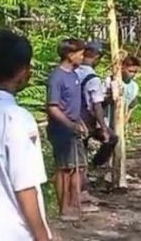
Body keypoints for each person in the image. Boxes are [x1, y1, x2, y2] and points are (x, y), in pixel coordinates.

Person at [0, 30, 52, 241]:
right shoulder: (17, 119)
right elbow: (25, 188)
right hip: (12, 232)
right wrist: (43, 237)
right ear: (22, 73)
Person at [47, 38, 99, 220]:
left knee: (78, 167)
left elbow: (75, 105)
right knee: (64, 169)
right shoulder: (57, 77)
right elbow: (53, 107)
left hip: (75, 129)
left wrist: (80, 123)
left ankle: (75, 204)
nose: (83, 57)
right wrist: (69, 124)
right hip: (61, 130)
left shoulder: (74, 75)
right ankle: (64, 208)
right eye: (80, 53)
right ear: (70, 55)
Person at [76, 41, 119, 169]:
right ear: (97, 58)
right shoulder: (93, 79)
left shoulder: (73, 72)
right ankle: (95, 165)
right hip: (87, 121)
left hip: (72, 118)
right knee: (112, 139)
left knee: (79, 154)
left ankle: (84, 173)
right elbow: (96, 106)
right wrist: (104, 128)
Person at [104, 55, 141, 128]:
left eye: (135, 72)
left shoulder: (134, 86)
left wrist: (125, 120)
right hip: (107, 121)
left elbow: (131, 105)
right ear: (122, 68)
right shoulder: (110, 81)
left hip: (120, 123)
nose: (132, 74)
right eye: (130, 71)